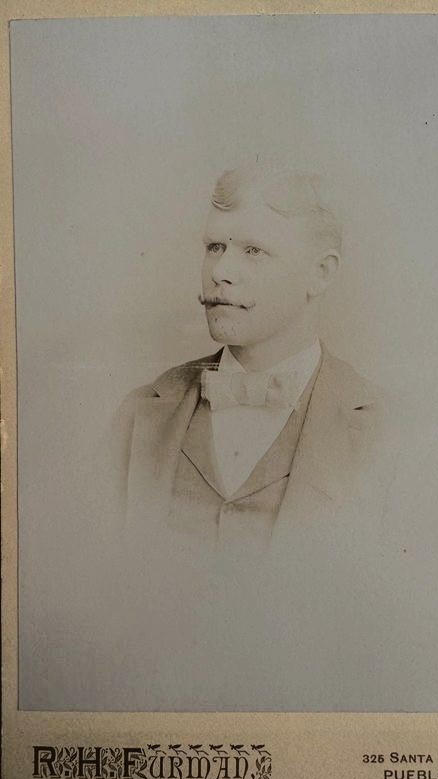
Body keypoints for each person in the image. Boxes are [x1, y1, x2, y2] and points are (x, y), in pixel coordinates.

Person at [115, 165, 382, 541]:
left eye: (254, 251)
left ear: (320, 273)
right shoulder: (140, 412)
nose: (220, 272)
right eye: (215, 248)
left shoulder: (384, 431)